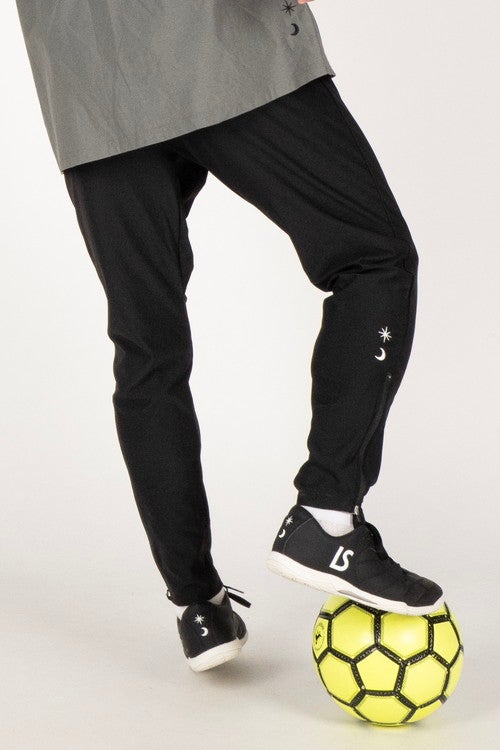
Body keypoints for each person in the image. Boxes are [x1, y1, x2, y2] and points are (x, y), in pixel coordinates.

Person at [15, 0, 444, 673]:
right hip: (213, 42)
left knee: (147, 350)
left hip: (87, 86)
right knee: (375, 258)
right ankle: (327, 516)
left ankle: (198, 607)